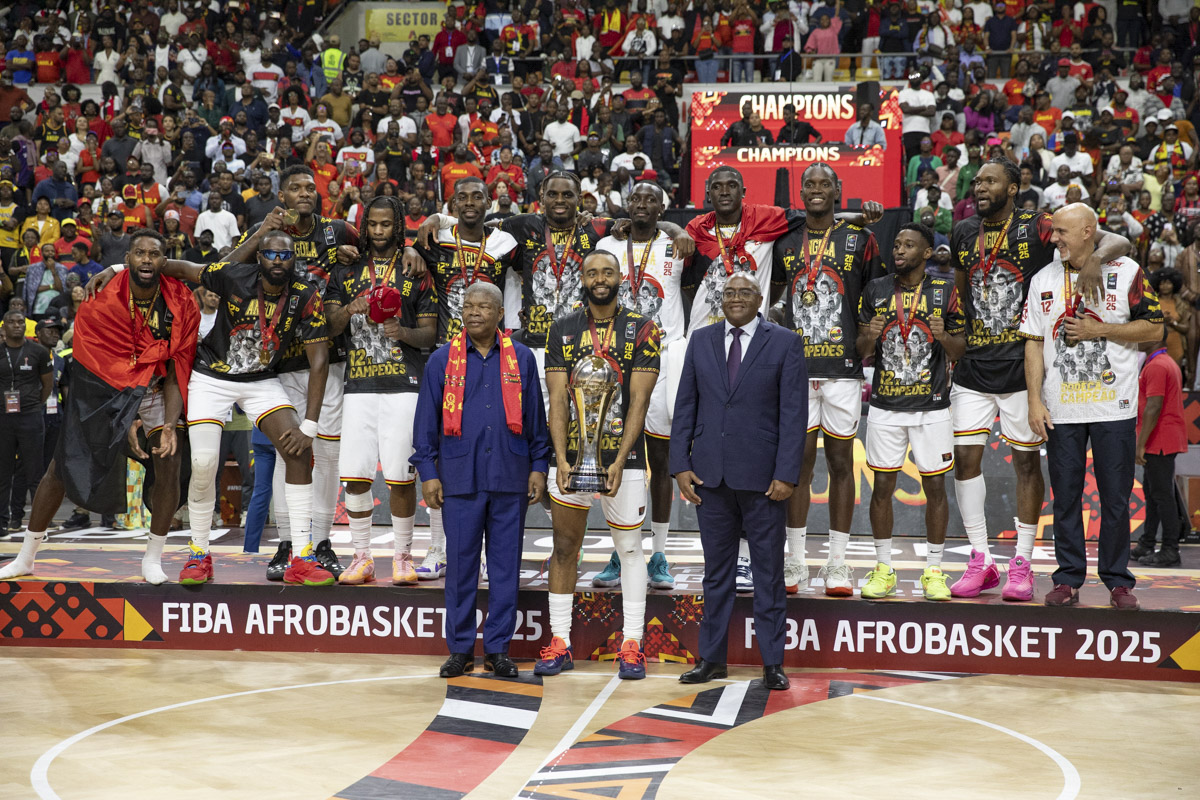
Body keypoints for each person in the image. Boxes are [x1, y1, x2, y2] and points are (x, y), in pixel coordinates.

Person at [950, 160, 1132, 602]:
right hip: (974, 365)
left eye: (990, 180)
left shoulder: (1037, 225)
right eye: (977, 181)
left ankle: (1023, 563)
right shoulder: (963, 231)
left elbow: (1115, 239)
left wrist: (1097, 261)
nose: (980, 187)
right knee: (964, 459)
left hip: (1020, 365)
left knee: (1027, 464)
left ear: (1014, 188)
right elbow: (963, 287)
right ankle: (980, 558)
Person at [2, 229, 199, 582]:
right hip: (108, 390)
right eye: (139, 253)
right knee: (62, 466)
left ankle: (153, 558)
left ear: (164, 261)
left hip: (156, 388)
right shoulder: (102, 295)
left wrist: (170, 424)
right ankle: (26, 556)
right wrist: (125, 415)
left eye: (154, 254)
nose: (146, 259)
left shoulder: (180, 301)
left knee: (170, 461)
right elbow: (91, 360)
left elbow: (176, 369)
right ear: (127, 258)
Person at [1021, 203, 1163, 611]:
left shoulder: (1128, 272)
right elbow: (1033, 342)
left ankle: (1118, 581)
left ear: (1088, 231)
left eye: (1062, 232)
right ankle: (1068, 579)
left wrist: (1099, 330)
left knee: (1115, 498)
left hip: (1113, 406)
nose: (1054, 239)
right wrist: (1034, 399)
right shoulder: (1043, 279)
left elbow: (1155, 329)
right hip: (1061, 408)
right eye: (1053, 231)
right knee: (1065, 497)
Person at [673, 273, 806, 690]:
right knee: (716, 574)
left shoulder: (784, 342)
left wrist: (786, 474)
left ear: (760, 298)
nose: (735, 298)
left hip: (765, 480)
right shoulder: (701, 340)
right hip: (710, 477)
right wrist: (680, 465)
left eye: (744, 292)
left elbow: (794, 415)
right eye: (729, 292)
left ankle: (772, 663)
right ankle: (711, 659)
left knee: (768, 574)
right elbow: (685, 405)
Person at [228, 165, 360, 581]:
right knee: (291, 453)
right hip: (280, 362)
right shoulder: (266, 232)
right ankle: (288, 543)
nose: (305, 193)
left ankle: (321, 542)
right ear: (281, 195)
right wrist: (259, 234)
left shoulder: (337, 231)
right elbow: (224, 270)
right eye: (296, 188)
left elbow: (381, 250)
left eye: (310, 187)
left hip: (329, 358)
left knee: (328, 456)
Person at [412, 281, 549, 678]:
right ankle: (459, 650)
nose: (474, 312)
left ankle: (497, 650)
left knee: (505, 569)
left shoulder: (522, 358)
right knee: (460, 568)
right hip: (459, 478)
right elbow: (425, 423)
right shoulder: (441, 360)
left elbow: (535, 419)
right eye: (468, 305)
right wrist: (428, 473)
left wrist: (539, 467)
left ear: (500, 314)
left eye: (483, 306)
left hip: (510, 475)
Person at [535, 250, 660, 680]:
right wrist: (560, 458)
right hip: (571, 459)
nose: (600, 279)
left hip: (622, 461)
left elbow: (639, 401)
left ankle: (632, 643)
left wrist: (621, 460)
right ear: (582, 279)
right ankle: (560, 641)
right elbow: (556, 399)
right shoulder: (562, 327)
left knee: (629, 548)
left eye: (608, 272)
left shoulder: (643, 328)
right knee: (564, 547)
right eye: (592, 273)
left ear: (620, 278)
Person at [772, 163, 882, 596]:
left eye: (824, 184)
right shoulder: (785, 240)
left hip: (842, 370)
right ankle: (795, 560)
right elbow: (775, 296)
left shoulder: (861, 238)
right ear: (800, 193)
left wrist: (866, 342)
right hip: (796, 371)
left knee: (840, 464)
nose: (816, 190)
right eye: (809, 185)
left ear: (838, 189)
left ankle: (838, 562)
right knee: (797, 466)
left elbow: (875, 296)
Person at [408, 177, 519, 580]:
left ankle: (485, 554)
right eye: (462, 198)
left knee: (484, 456)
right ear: (451, 205)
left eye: (477, 196)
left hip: (491, 357)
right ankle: (438, 548)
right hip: (445, 358)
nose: (470, 203)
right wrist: (420, 236)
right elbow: (398, 249)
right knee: (442, 455)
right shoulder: (434, 239)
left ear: (491, 201)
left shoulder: (506, 242)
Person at [323, 195, 436, 585]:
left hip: (405, 385)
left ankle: (402, 557)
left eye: (386, 224)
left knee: (401, 477)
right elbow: (330, 326)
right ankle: (362, 557)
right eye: (372, 224)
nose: (378, 231)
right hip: (358, 386)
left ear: (398, 225)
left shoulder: (414, 268)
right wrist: (348, 309)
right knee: (355, 475)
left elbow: (430, 333)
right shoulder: (346, 270)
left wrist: (402, 332)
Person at [858, 223, 965, 601]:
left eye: (909, 245)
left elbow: (960, 350)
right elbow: (859, 350)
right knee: (881, 488)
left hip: (931, 406)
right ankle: (883, 568)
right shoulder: (876, 289)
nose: (899, 250)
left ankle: (934, 571)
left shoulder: (945, 290)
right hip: (885, 406)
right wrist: (868, 336)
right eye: (897, 244)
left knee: (935, 488)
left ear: (927, 253)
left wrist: (943, 335)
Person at [591, 183, 684, 591]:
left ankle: (659, 553)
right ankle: (621, 549)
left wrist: (674, 227)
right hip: (615, 362)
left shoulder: (677, 244)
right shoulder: (608, 243)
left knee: (660, 461)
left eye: (651, 200)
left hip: (662, 360)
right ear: (626, 205)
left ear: (662, 207)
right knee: (619, 459)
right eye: (636, 199)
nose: (642, 205)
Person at [1132, 329, 1187, 567]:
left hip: (1159, 439)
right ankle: (1147, 542)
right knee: (1154, 493)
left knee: (1162, 496)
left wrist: (1141, 444)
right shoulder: (1165, 362)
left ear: (1155, 338)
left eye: (1142, 334)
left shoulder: (1156, 366)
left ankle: (1170, 549)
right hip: (1163, 437)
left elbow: (1154, 406)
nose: (1137, 338)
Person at [0, 309, 51, 537]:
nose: (16, 325)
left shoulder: (38, 351)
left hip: (30, 416)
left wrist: (35, 405)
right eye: (11, 322)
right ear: (4, 327)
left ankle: (39, 525)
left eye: (20, 322)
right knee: (3, 472)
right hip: (3, 417)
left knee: (35, 473)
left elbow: (47, 385)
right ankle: (2, 522)